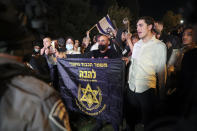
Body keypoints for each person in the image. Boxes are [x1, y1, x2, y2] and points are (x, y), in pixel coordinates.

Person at [126, 16, 167, 130]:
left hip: (146, 90)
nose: (137, 28)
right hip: (131, 88)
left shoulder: (159, 46)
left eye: (141, 25)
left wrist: (162, 94)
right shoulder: (137, 44)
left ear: (149, 27)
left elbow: (161, 72)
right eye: (137, 26)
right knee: (131, 121)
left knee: (148, 123)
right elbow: (135, 60)